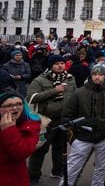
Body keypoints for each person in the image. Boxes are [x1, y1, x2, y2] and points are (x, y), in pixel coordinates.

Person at [60, 63, 105, 186]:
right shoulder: (79, 92)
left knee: (101, 168)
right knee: (72, 168)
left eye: (100, 74)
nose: (97, 77)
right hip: (82, 137)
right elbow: (67, 115)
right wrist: (72, 136)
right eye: (94, 74)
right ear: (91, 76)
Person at [27, 54, 77, 183]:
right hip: (46, 120)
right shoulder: (41, 80)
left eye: (62, 63)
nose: (60, 65)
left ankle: (57, 171)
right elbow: (31, 98)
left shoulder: (70, 79)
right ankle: (33, 176)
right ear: (51, 66)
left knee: (60, 147)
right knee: (41, 149)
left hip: (64, 118)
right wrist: (54, 91)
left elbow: (74, 96)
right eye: (57, 63)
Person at [0, 89, 41, 186]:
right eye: (9, 105)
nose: (15, 108)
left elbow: (21, 153)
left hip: (14, 179)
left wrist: (9, 130)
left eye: (19, 104)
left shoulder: (31, 125)